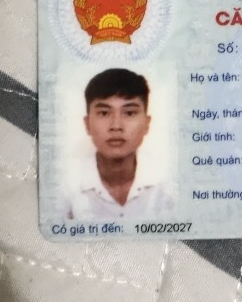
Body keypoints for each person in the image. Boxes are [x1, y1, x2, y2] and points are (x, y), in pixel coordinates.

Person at [62, 68, 172, 220]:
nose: (116, 126)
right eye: (104, 113)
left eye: (129, 113)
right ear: (87, 124)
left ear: (147, 124)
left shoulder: (168, 183)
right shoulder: (65, 185)